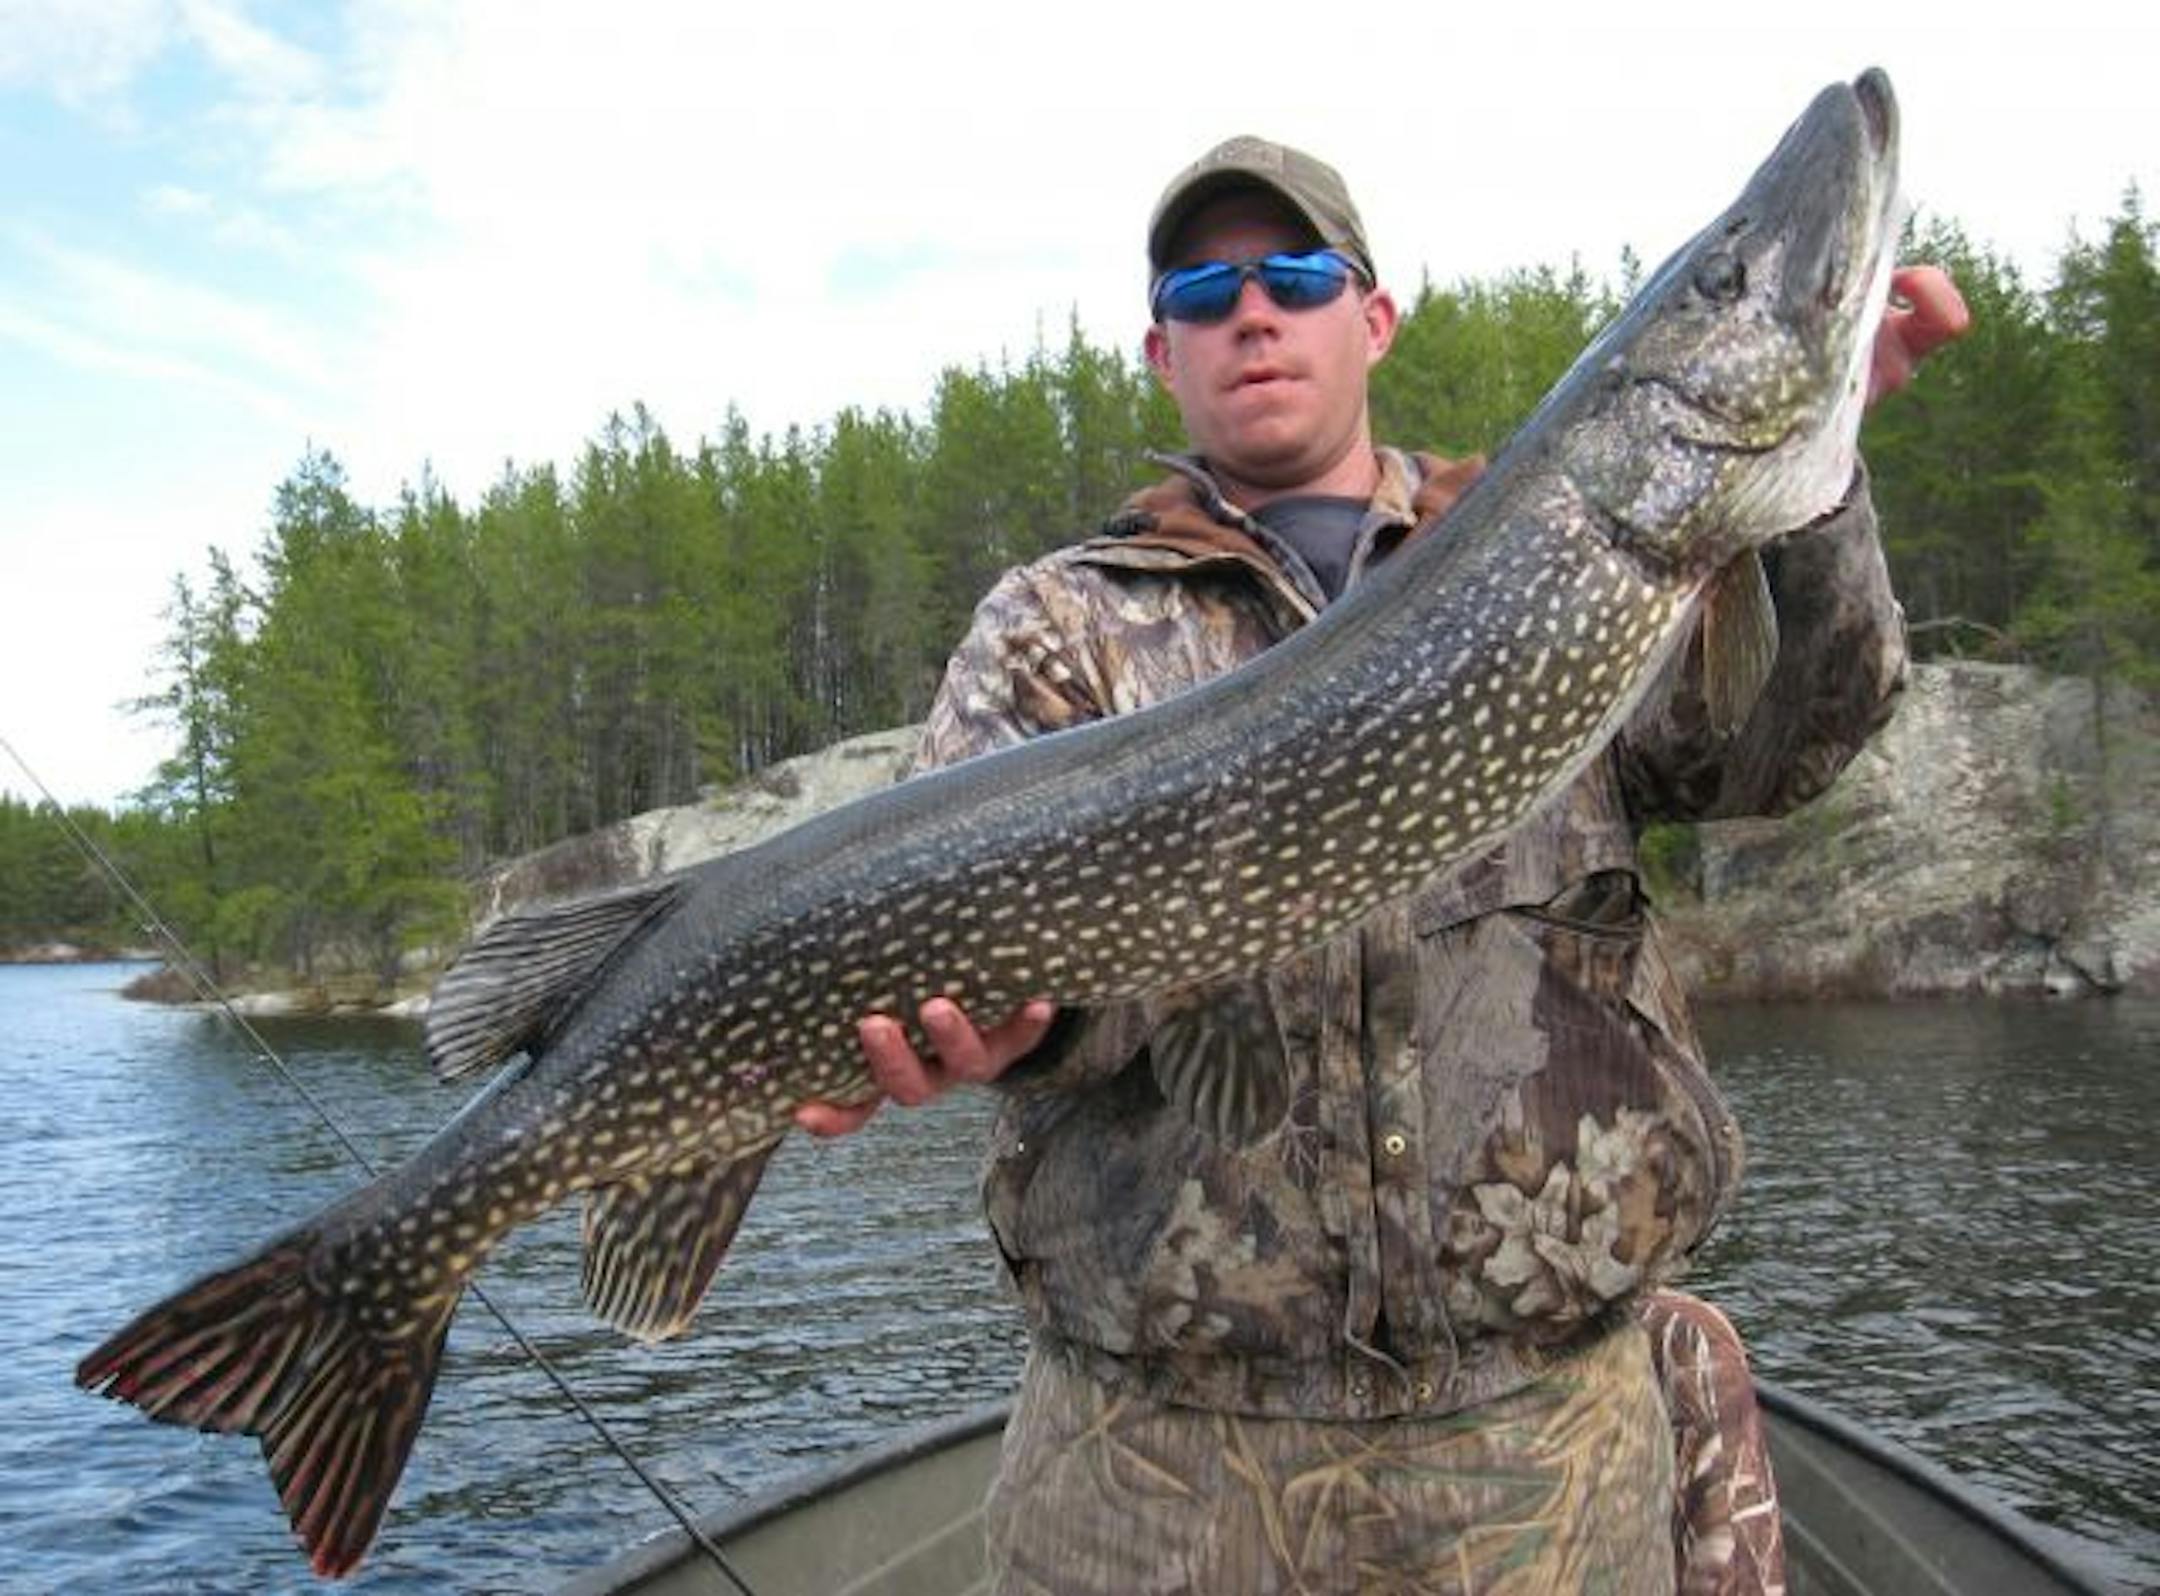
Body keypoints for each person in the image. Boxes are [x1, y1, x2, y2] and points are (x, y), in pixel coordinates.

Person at [797, 136, 1969, 1594]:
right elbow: (1021, 998)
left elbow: (1781, 750)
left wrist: (1816, 476)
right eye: (1206, 290)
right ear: (1162, 350)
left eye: (1294, 275)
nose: (1253, 312)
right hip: (1151, 1475)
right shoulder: (1057, 629)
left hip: (1541, 1455)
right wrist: (1017, 1030)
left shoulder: (1569, 545)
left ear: (1376, 317)